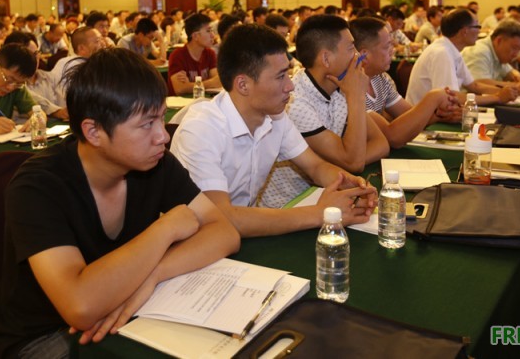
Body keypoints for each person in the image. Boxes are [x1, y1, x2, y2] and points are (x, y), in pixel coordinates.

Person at [0, 48, 239, 358]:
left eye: (161, 118)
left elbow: (224, 232)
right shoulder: (38, 186)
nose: (163, 136)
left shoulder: (156, 163)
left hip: (130, 303)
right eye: (146, 124)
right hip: (46, 333)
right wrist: (165, 228)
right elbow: (80, 306)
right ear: (93, 131)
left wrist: (153, 274)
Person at [170, 24, 375, 236]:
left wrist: (350, 185)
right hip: (194, 240)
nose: (290, 86)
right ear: (243, 85)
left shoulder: (275, 116)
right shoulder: (202, 129)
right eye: (280, 77)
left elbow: (315, 167)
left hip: (245, 231)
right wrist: (318, 213)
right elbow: (221, 217)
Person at [283, 15, 390, 173]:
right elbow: (353, 163)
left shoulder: (340, 88)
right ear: (326, 59)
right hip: (302, 189)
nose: (358, 55)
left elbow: (381, 144)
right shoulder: (296, 103)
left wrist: (347, 161)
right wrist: (356, 97)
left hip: (328, 183)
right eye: (351, 48)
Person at [349, 17, 458, 148]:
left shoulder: (380, 78)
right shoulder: (349, 87)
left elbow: (410, 116)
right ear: (364, 55)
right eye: (387, 46)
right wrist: (433, 97)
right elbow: (391, 137)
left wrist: (440, 114)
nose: (393, 50)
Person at [406, 9, 519, 106]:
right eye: (477, 26)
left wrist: (510, 91)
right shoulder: (442, 53)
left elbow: (474, 85)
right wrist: (497, 97)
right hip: (424, 120)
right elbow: (450, 97)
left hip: (437, 114)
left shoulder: (452, 50)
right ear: (465, 31)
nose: (479, 31)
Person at [3, 31, 69, 120]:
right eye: (28, 55)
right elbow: (30, 100)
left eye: (36, 53)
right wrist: (56, 111)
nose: (34, 59)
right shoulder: (10, 84)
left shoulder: (49, 77)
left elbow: (65, 105)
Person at [461, 19, 520, 93]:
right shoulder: (479, 52)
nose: (516, 54)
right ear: (499, 40)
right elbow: (479, 83)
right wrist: (516, 85)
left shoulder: (498, 53)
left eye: (519, 49)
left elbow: (511, 73)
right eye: (514, 48)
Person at [167, 13, 221, 95]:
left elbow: (217, 82)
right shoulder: (177, 55)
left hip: (203, 101)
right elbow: (180, 89)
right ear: (195, 36)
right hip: (181, 102)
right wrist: (210, 83)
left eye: (212, 31)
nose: (213, 35)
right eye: (208, 31)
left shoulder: (210, 53)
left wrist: (190, 85)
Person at [50, 26, 105, 103]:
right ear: (81, 48)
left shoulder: (93, 63)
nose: (103, 44)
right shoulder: (71, 65)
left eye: (102, 39)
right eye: (97, 41)